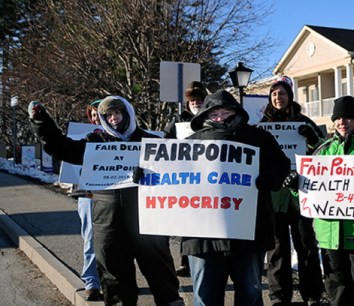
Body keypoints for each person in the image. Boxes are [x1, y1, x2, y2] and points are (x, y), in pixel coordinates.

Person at [28, 96, 183, 306]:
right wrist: (41, 121)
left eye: (117, 113)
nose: (113, 118)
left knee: (161, 275)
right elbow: (62, 147)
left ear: (128, 113)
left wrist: (152, 173)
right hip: (108, 223)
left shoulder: (150, 142)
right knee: (114, 280)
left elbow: (178, 172)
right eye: (108, 115)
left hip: (148, 222)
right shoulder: (95, 143)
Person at [181, 90, 290, 306]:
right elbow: (169, 179)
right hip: (203, 238)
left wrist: (269, 178)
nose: (220, 116)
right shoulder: (189, 144)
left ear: (236, 111)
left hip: (248, 234)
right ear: (204, 115)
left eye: (226, 111)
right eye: (214, 112)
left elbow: (282, 166)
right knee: (205, 298)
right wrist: (148, 176)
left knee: (250, 295)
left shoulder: (259, 138)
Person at [285, 96, 354, 306]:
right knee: (338, 291)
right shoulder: (323, 149)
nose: (342, 122)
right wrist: (296, 186)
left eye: (348, 117)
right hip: (329, 235)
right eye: (338, 118)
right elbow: (311, 194)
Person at [260, 76, 326, 306]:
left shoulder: (304, 123)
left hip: (301, 193)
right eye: (275, 94)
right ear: (270, 98)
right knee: (277, 250)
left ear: (290, 97)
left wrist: (311, 140)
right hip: (275, 194)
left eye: (283, 93)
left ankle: (313, 294)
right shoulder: (263, 125)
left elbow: (323, 152)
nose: (279, 97)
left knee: (306, 246)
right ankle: (279, 297)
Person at [163, 80, 208, 277]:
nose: (195, 103)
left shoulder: (211, 118)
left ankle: (204, 257)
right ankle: (185, 261)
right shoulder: (178, 121)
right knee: (186, 220)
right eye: (192, 100)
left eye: (199, 99)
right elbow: (164, 144)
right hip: (185, 176)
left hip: (208, 176)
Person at [76, 99, 103, 301]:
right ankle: (92, 282)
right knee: (91, 238)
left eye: (100, 114)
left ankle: (116, 281)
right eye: (93, 115)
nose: (96, 118)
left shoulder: (124, 137)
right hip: (88, 195)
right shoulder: (84, 139)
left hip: (115, 196)